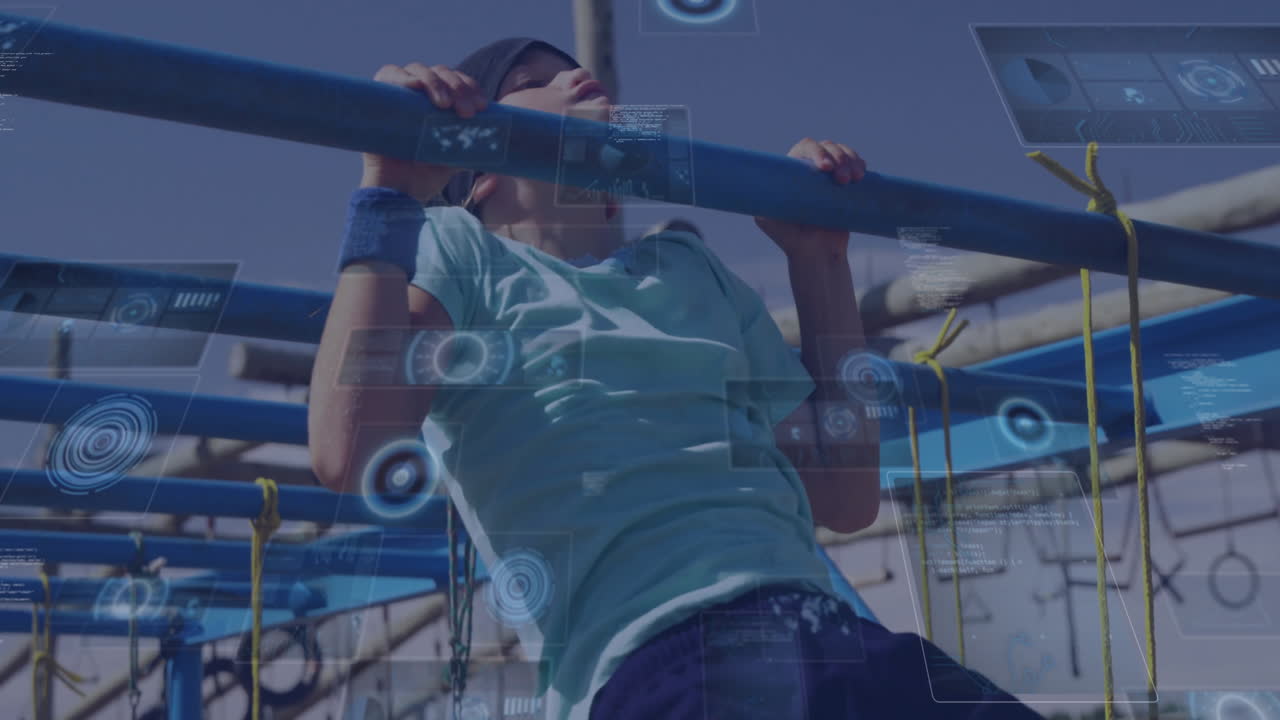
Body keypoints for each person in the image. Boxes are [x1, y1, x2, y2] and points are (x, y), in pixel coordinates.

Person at [309, 37, 1045, 720]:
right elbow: (350, 449)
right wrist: (390, 191)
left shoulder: (690, 271)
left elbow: (844, 491)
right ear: (482, 173)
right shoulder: (462, 251)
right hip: (655, 657)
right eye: (534, 81)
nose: (574, 73)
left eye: (568, 65)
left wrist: (819, 264)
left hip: (830, 633)